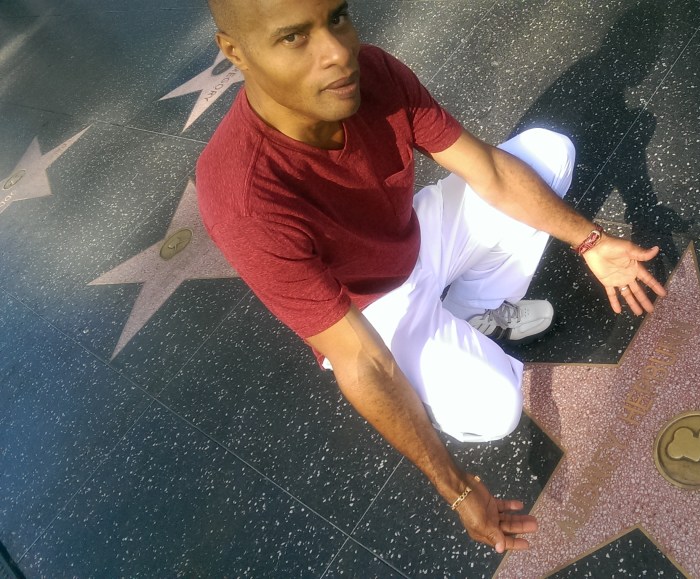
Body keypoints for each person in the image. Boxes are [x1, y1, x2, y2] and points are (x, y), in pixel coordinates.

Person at [196, 0, 666, 553]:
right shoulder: (243, 194)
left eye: (338, 17)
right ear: (235, 52)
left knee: (548, 153)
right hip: (368, 311)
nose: (338, 53)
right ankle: (448, 338)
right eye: (295, 37)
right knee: (495, 410)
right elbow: (359, 359)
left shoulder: (373, 71)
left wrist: (588, 240)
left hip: (413, 236)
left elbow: (486, 169)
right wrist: (457, 489)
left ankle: (469, 317)